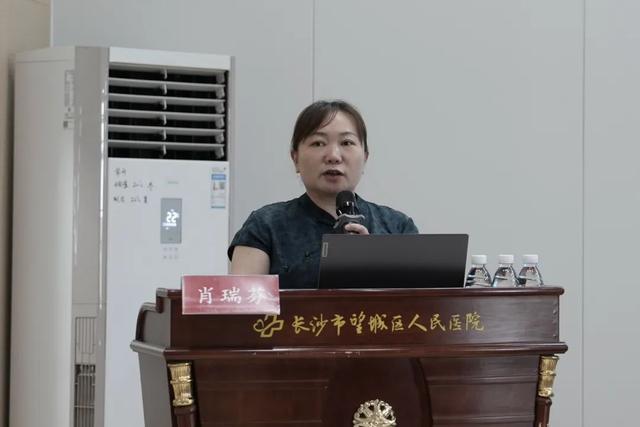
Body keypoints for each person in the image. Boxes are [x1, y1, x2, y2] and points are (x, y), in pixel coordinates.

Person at [228, 100, 418, 288]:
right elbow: (241, 301)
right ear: (295, 158)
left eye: (347, 142)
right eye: (318, 143)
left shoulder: (397, 227)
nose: (333, 156)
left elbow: (419, 302)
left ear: (365, 157)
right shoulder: (265, 225)